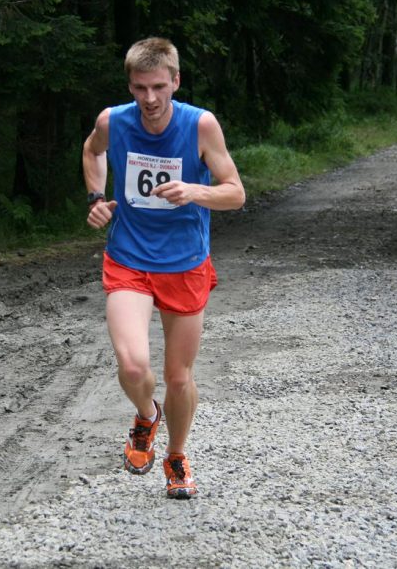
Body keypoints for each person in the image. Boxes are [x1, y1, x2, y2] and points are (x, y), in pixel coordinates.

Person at [82, 37, 245, 499]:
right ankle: (146, 415)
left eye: (158, 87)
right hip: (129, 258)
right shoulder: (113, 122)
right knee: (134, 366)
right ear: (130, 85)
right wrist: (96, 198)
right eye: (139, 88)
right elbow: (92, 151)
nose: (149, 99)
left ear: (175, 81)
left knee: (178, 377)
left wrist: (196, 191)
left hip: (185, 264)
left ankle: (175, 455)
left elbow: (235, 192)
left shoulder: (200, 125)